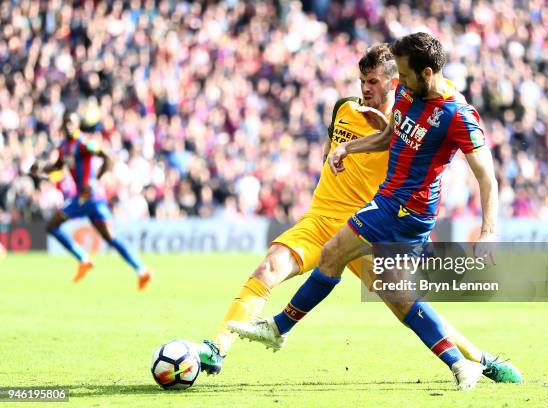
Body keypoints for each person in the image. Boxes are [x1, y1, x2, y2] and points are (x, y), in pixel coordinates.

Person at [196, 43, 521, 386]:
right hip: (321, 219)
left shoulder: (411, 112)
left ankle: (480, 361)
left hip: (369, 229)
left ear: (395, 82)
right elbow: (331, 154)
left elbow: (421, 162)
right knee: (268, 267)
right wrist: (341, 153)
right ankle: (218, 347)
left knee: (404, 302)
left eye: (373, 82)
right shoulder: (344, 109)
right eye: (362, 81)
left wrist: (486, 227)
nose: (365, 89)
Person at [31, 112, 152, 290]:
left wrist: (97, 180)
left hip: (87, 197)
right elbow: (57, 167)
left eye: (72, 123)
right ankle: (141, 270)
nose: (69, 127)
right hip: (90, 199)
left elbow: (108, 156)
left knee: (52, 226)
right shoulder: (64, 146)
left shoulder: (84, 142)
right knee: (110, 237)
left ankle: (84, 258)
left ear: (78, 125)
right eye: (66, 123)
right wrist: (40, 167)